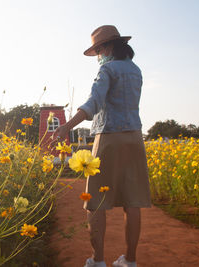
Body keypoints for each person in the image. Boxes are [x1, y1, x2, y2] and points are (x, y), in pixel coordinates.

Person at [52, 25, 151, 267]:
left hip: (109, 137)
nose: (97, 56)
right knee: (133, 201)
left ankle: (97, 261)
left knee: (95, 201)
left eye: (98, 50)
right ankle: (130, 260)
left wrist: (66, 127)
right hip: (135, 138)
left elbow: (93, 104)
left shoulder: (107, 69)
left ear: (107, 47)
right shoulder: (136, 70)